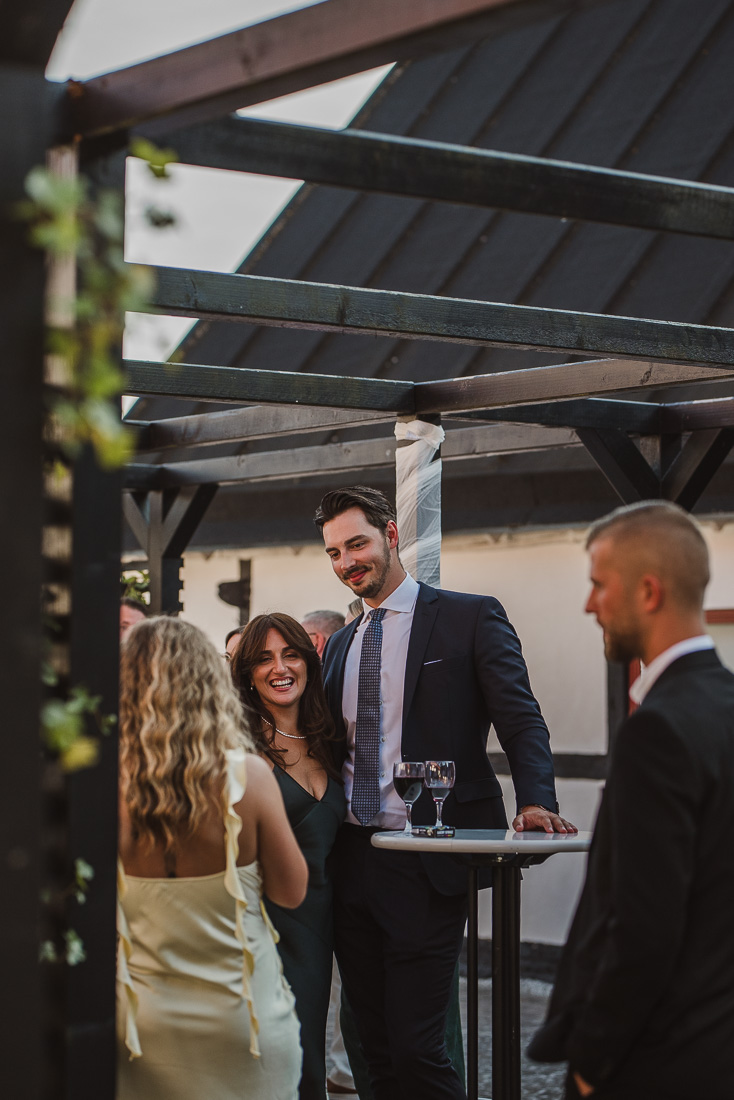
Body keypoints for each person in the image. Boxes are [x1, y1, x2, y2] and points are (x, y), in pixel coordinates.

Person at [314, 485, 575, 1100]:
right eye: (333, 552)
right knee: (369, 1043)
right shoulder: (343, 644)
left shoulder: (469, 615)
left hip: (429, 855)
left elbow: (520, 718)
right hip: (351, 858)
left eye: (357, 543)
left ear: (391, 536)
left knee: (417, 1044)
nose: (348, 561)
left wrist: (537, 799)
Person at [528, 501, 734, 1100]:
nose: (589, 604)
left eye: (597, 584)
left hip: (656, 1061)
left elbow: (643, 925)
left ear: (648, 591)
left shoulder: (657, 730)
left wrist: (592, 1062)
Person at [117, 616, 307, 1100]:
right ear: (210, 683)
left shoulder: (105, 788)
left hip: (144, 1027)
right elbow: (291, 892)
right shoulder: (248, 778)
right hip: (244, 1022)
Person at [230, 613, 347, 1100]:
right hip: (262, 931)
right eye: (264, 659)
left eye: (290, 654)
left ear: (308, 661)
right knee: (271, 1067)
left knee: (309, 1064)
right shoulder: (239, 748)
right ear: (248, 675)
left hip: (320, 931)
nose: (280, 668)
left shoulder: (333, 739)